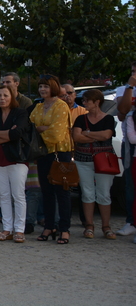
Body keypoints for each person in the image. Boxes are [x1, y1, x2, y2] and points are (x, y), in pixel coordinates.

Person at [0, 86, 29, 243]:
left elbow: (18, 134)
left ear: (12, 97)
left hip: (16, 158)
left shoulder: (20, 113)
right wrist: (6, 134)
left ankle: (19, 230)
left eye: (5, 95)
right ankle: (7, 228)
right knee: (3, 195)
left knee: (18, 195)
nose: (2, 98)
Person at [31, 75, 73, 244]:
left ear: (53, 88)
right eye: (41, 86)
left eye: (46, 87)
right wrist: (44, 128)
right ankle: (49, 226)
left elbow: (56, 134)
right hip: (43, 153)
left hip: (59, 153)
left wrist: (41, 130)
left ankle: (64, 228)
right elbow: (31, 126)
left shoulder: (61, 106)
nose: (42, 89)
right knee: (46, 192)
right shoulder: (39, 106)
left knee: (62, 193)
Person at [72, 89, 117, 240]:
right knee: (87, 193)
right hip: (83, 160)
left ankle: (106, 226)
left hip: (104, 160)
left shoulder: (108, 118)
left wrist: (88, 133)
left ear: (97, 102)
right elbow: (77, 137)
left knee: (104, 194)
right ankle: (89, 225)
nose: (83, 103)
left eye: (86, 101)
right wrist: (95, 137)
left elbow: (107, 135)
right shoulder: (80, 119)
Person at [115, 61, 136, 237]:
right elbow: (122, 113)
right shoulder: (124, 90)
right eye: (133, 71)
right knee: (130, 185)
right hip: (130, 144)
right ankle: (131, 221)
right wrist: (130, 86)